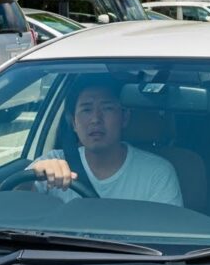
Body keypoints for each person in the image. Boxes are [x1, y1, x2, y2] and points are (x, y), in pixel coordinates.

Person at [29, 76, 183, 206]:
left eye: (107, 108)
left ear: (124, 118)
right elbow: (13, 206)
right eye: (87, 110)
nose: (96, 119)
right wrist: (33, 175)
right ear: (74, 123)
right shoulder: (53, 163)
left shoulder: (157, 173)